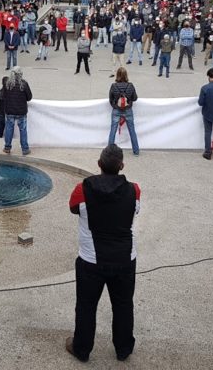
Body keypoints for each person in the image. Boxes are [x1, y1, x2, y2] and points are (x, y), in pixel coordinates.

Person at [66, 144, 140, 363]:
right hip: (125, 258)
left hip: (91, 259)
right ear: (122, 166)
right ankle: (123, 348)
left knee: (86, 306)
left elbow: (73, 208)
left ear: (98, 164)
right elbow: (135, 208)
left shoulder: (82, 189)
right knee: (124, 304)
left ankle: (82, 348)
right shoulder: (134, 189)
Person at [108, 67, 139, 156]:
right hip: (128, 110)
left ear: (117, 75)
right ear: (126, 75)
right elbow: (135, 98)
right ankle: (136, 151)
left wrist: (115, 106)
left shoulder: (114, 86)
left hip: (116, 110)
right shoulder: (130, 85)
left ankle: (109, 153)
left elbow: (111, 99)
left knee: (113, 131)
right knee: (132, 130)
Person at [2, 66, 32, 155]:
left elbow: (4, 96)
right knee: (23, 130)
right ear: (20, 74)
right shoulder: (24, 84)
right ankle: (25, 149)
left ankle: (7, 147)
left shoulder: (7, 84)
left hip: (9, 110)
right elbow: (29, 97)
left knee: (9, 129)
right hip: (21, 111)